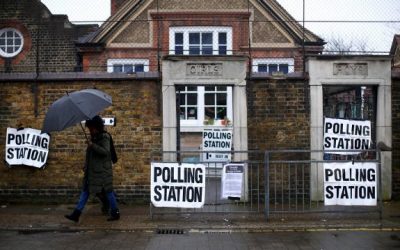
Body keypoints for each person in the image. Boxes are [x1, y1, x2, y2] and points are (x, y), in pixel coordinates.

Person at [65, 115, 120, 222]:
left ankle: (115, 212)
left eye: (91, 128)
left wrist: (92, 145)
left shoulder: (104, 137)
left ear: (96, 127)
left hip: (102, 172)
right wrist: (87, 165)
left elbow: (105, 152)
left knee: (108, 192)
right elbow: (93, 156)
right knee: (85, 191)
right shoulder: (94, 138)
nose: (90, 130)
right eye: (89, 128)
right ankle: (76, 214)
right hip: (92, 172)